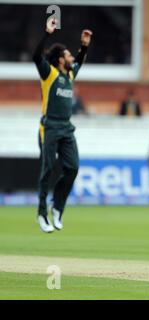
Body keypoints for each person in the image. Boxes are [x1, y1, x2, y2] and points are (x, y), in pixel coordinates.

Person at [32, 18, 92, 233]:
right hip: (49, 127)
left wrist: (84, 45)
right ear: (60, 59)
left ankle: (57, 207)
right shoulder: (50, 74)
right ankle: (41, 214)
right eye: (68, 55)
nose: (72, 58)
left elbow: (80, 61)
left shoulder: (69, 74)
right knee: (47, 170)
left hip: (66, 127)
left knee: (72, 168)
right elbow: (35, 57)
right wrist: (47, 33)